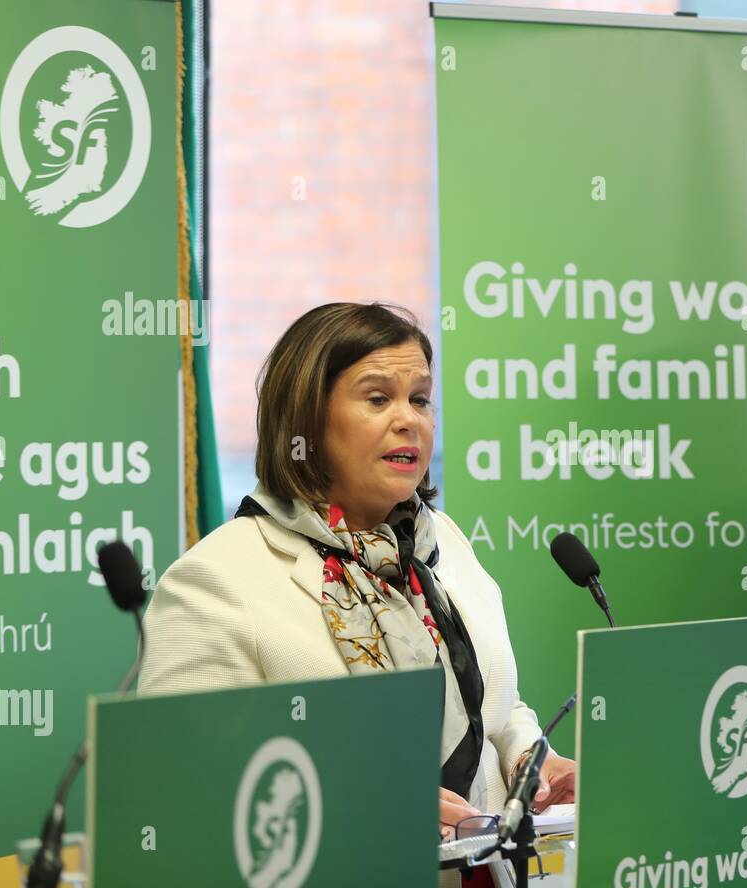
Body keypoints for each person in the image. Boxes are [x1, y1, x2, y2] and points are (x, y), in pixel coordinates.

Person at [138, 302, 575, 851]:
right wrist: (360, 798)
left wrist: (533, 760)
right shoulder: (216, 581)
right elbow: (179, 784)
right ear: (306, 422)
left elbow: (494, 706)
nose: (408, 419)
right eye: (377, 398)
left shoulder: (443, 544)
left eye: (419, 399)